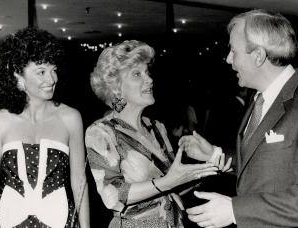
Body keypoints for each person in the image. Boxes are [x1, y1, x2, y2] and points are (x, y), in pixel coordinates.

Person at [180, 9, 298, 228]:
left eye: (234, 51)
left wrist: (235, 210)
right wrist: (215, 154)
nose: (228, 59)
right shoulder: (260, 98)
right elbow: (265, 159)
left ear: (258, 55)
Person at [85, 40, 231, 227]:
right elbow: (112, 196)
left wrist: (209, 166)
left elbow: (173, 185)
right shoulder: (100, 132)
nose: (149, 80)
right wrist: (168, 182)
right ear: (116, 87)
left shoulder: (156, 127)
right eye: (137, 74)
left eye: (147, 73)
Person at [0, 27, 90, 228]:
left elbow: (79, 182)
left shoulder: (71, 118)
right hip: (7, 221)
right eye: (41, 72)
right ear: (18, 75)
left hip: (60, 220)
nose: (52, 80)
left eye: (54, 70)